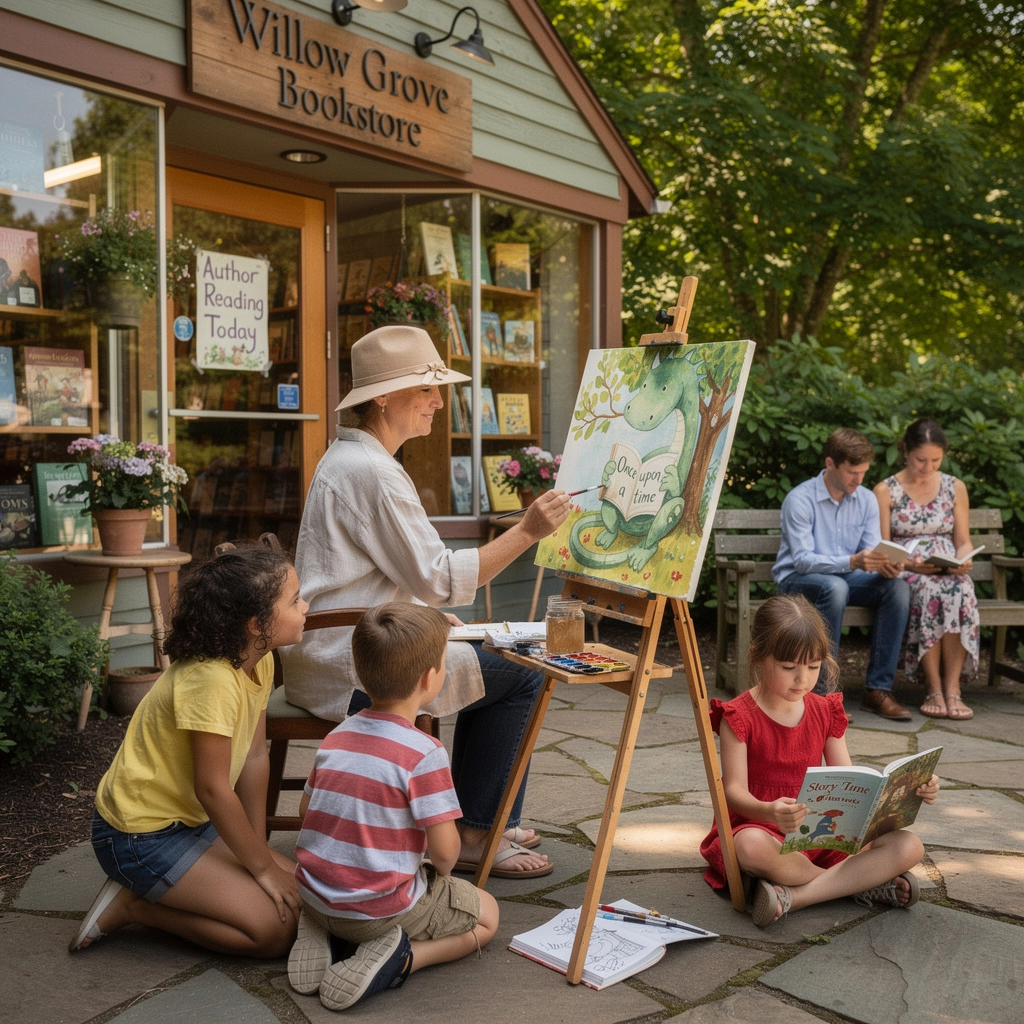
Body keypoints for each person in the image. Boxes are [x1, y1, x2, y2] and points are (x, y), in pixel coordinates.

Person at [281, 325, 568, 879]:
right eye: (426, 389)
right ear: (382, 397)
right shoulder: (373, 472)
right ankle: (474, 835)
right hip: (356, 666)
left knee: (498, 654)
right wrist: (529, 530)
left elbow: (387, 575)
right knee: (527, 671)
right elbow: (437, 577)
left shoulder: (352, 459)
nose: (440, 401)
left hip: (346, 647)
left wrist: (429, 617)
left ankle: (470, 820)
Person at [69, 547, 307, 956]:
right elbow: (212, 787)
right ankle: (135, 906)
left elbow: (253, 758)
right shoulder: (211, 680)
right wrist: (262, 869)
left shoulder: (260, 660)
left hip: (194, 822)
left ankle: (169, 890)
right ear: (257, 624)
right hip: (138, 836)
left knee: (306, 900)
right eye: (295, 600)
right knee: (275, 932)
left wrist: (256, 851)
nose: (306, 606)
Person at [288, 603, 499, 1011]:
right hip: (379, 913)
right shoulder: (425, 753)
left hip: (312, 892)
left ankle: (321, 927)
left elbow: (303, 812)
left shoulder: (336, 736)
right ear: (429, 678)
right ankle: (404, 957)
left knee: (346, 898)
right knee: (487, 915)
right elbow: (445, 856)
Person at [700, 595, 939, 927]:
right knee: (751, 848)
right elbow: (733, 791)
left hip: (822, 832)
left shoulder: (825, 710)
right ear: (758, 658)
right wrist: (770, 811)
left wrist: (910, 790)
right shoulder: (738, 716)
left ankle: (798, 896)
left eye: (813, 667)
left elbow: (850, 780)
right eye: (789, 668)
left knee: (909, 845)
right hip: (763, 828)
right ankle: (856, 883)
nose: (803, 680)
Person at [773, 428, 913, 720]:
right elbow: (802, 561)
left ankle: (877, 690)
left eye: (863, 472)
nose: (859, 480)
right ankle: (823, 695)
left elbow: (870, 550)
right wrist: (853, 561)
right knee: (835, 588)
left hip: (845, 578)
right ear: (830, 463)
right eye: (852, 472)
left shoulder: (864, 499)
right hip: (796, 580)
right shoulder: (800, 499)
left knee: (897, 588)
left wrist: (885, 562)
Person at [874, 419, 980, 720]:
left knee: (961, 587)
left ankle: (952, 688)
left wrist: (964, 560)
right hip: (908, 569)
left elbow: (962, 540)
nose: (928, 467)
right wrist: (911, 564)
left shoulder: (954, 487)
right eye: (921, 460)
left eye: (936, 460)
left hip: (948, 569)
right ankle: (933, 687)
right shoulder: (886, 490)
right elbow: (883, 547)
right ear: (905, 451)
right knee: (930, 589)